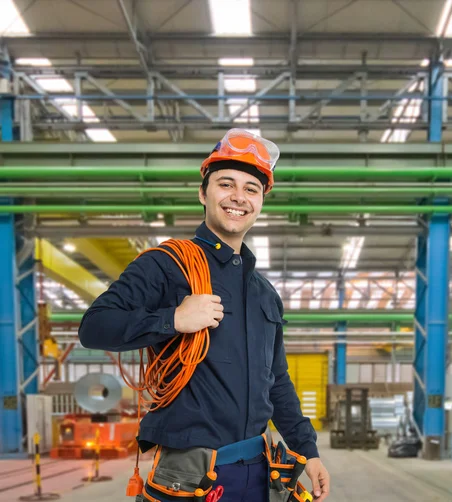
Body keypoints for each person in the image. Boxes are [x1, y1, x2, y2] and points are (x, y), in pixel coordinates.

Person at [78, 129, 330, 502]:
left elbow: (276, 381)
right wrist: (172, 320)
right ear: (203, 193)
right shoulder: (166, 265)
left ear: (260, 202)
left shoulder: (264, 293)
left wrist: (307, 450)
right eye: (226, 184)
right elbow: (94, 327)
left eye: (251, 189)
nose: (238, 197)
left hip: (261, 470)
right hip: (190, 474)